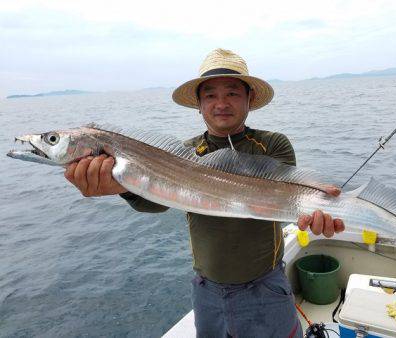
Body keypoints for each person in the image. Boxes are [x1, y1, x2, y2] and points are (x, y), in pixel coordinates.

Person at [64, 48, 345, 338]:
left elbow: (285, 198)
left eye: (233, 93)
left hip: (265, 286)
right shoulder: (185, 155)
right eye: (210, 95)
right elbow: (156, 203)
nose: (221, 103)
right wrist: (122, 186)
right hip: (206, 291)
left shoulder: (272, 145)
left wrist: (315, 208)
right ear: (198, 104)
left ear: (250, 100)